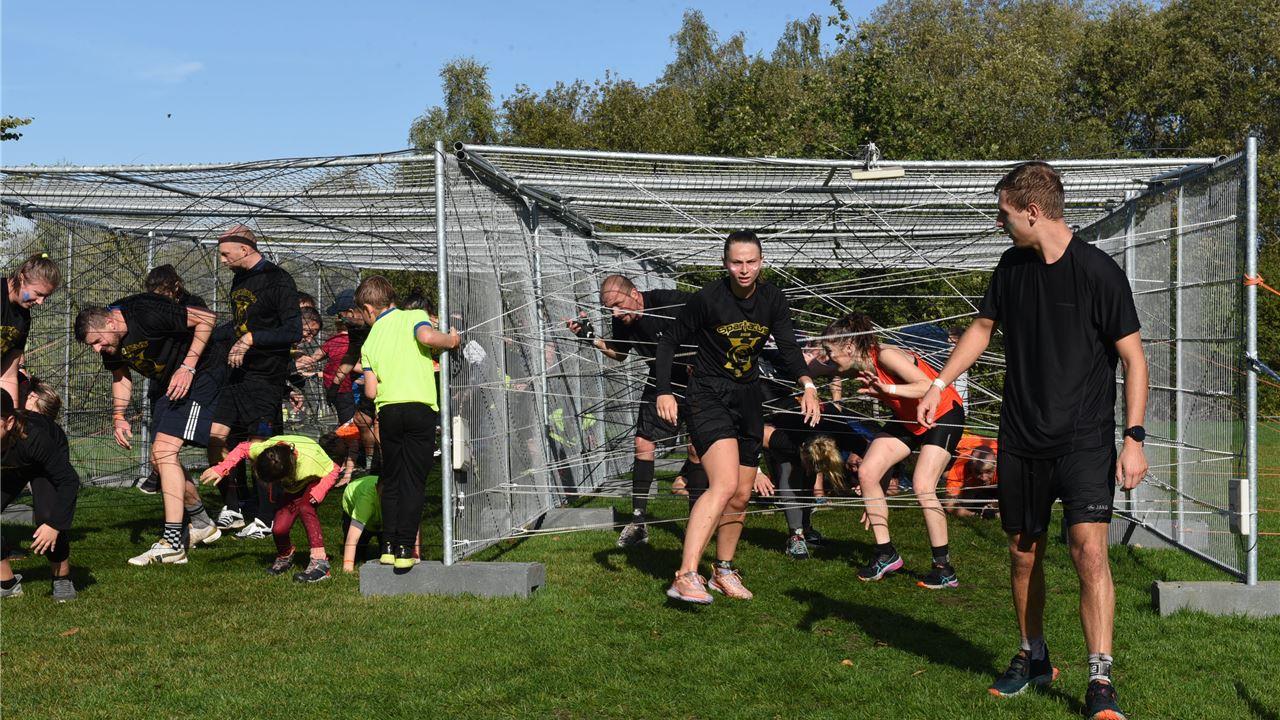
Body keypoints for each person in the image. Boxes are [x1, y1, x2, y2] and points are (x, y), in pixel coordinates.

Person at [917, 162, 1148, 719]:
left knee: (1088, 551)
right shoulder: (1010, 266)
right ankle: (1033, 653)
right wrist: (939, 384)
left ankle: (1100, 679)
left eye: (1004, 213)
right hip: (1021, 437)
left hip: (1084, 439)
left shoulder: (1098, 271)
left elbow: (1134, 360)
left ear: (1033, 211)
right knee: (1023, 554)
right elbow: (981, 329)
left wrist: (1134, 438)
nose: (999, 223)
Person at [655, 230, 821, 604]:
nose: (744, 269)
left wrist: (807, 384)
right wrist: (664, 390)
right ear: (725, 263)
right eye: (736, 262)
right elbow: (668, 341)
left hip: (748, 399)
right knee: (725, 483)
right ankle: (686, 575)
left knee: (743, 493)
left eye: (751, 262)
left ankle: (723, 570)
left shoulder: (772, 298)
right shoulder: (707, 299)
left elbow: (789, 346)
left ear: (761, 262)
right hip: (708, 395)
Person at [815, 312, 966, 589]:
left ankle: (944, 568)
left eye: (829, 351)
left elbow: (925, 386)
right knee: (868, 473)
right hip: (908, 418)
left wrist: (887, 389)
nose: (828, 357)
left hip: (942, 413)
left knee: (923, 485)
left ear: (848, 347)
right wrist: (803, 377)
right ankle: (886, 554)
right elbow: (816, 368)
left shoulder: (885, 354)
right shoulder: (855, 364)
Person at [75, 291, 225, 565]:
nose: (97, 349)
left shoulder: (145, 311)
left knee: (164, 452)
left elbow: (207, 319)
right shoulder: (112, 345)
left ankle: (172, 543)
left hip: (203, 374)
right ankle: (202, 523)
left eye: (96, 341)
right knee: (159, 459)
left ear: (110, 322)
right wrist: (119, 416)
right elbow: (120, 376)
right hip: (171, 383)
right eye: (91, 346)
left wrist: (188, 367)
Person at [566, 274, 704, 547]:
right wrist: (590, 338)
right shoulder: (622, 320)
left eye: (618, 305)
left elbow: (713, 319)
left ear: (635, 294)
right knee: (643, 443)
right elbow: (620, 353)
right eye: (609, 309)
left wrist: (703, 359)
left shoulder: (670, 303)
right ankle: (639, 522)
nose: (615, 313)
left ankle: (696, 523)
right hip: (661, 381)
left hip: (697, 378)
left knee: (695, 448)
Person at [356, 275, 459, 570]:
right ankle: (405, 550)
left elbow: (370, 391)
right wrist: (451, 340)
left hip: (388, 412)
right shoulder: (413, 316)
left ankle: (387, 547)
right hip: (419, 408)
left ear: (369, 309)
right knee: (413, 480)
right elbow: (427, 338)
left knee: (392, 479)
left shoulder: (369, 340)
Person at [208, 225, 303, 539]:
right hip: (236, 375)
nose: (222, 260)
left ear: (245, 249)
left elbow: (293, 331)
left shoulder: (279, 279)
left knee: (261, 449)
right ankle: (234, 507)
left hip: (265, 377)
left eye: (226, 254)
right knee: (217, 438)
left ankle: (266, 519)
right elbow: (240, 324)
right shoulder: (239, 279)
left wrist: (251, 339)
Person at [201, 432, 347, 582]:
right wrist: (221, 468)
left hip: (314, 481)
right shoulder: (264, 450)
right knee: (279, 529)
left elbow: (334, 469)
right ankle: (285, 555)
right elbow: (243, 448)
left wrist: (320, 490)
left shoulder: (311, 462)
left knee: (306, 507)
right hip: (293, 485)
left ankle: (320, 564)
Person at [0, 390, 79, 601]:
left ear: (9, 422)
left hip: (44, 462)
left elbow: (69, 481)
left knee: (47, 515)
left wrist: (54, 525)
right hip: (15, 466)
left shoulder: (35, 437)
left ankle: (62, 579)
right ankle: (7, 583)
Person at [2, 254, 62, 403]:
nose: (41, 302)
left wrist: (13, 413)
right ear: (22, 278)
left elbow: (8, 375)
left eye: (45, 297)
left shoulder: (23, 318)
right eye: (38, 294)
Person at [944, 439, 998, 518]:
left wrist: (993, 506)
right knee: (946, 474)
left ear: (995, 465)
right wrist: (976, 515)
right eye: (978, 472)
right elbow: (949, 504)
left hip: (990, 443)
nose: (984, 478)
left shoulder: (1005, 467)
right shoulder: (959, 468)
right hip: (965, 442)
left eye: (988, 471)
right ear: (970, 466)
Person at [340, 473, 381, 572]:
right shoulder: (366, 500)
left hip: (380, 516)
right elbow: (352, 537)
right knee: (358, 553)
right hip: (355, 503)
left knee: (389, 553)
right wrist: (348, 566)